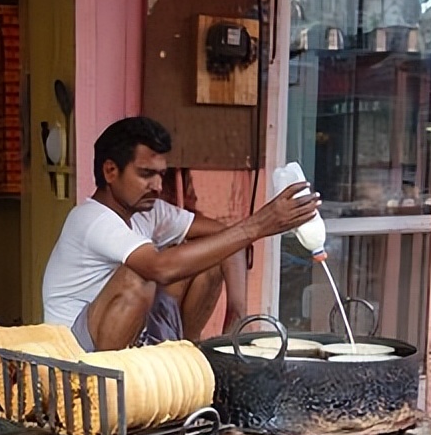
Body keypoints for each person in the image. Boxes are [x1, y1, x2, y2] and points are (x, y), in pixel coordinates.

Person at [42, 116, 320, 351]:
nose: (157, 186)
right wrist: (261, 223)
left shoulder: (149, 211)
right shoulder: (90, 219)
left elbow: (226, 236)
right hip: (74, 351)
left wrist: (237, 314)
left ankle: (187, 352)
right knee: (141, 273)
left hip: (125, 334)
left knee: (208, 256)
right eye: (146, 174)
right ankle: (116, 383)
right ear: (111, 171)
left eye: (161, 175)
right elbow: (159, 269)